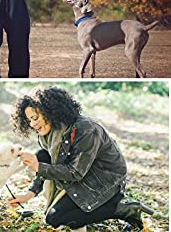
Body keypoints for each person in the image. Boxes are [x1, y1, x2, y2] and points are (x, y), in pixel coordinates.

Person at [8, 86, 154, 230]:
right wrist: (28, 194)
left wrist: (38, 167)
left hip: (104, 179)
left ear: (50, 111)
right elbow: (46, 162)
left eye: (35, 118)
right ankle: (94, 209)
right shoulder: (47, 134)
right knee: (41, 155)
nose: (33, 124)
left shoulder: (85, 129)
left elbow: (76, 172)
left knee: (55, 218)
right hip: (82, 175)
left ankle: (123, 208)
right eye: (29, 121)